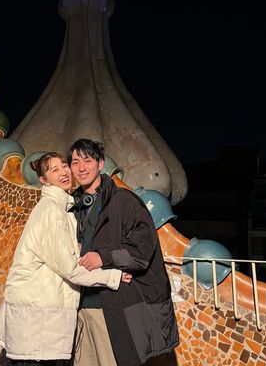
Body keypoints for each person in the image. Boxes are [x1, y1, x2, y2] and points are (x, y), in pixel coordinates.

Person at [0, 152, 131, 366]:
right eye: (54, 170)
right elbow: (70, 269)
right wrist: (113, 277)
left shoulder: (60, 209)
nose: (64, 172)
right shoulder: (52, 211)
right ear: (44, 180)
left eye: (64, 166)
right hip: (36, 323)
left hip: (36, 319)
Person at [68, 138, 179, 366]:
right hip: (80, 306)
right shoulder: (74, 206)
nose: (81, 167)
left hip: (111, 309)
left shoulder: (124, 201)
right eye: (75, 162)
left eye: (87, 161)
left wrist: (103, 256)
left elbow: (142, 251)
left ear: (100, 164)